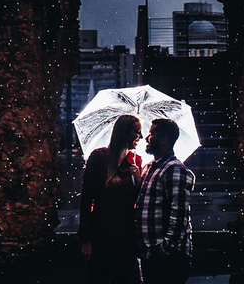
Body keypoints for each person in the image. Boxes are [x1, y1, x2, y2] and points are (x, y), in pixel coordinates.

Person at [79, 114, 144, 284]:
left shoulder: (136, 161)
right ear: (124, 132)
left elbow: (138, 201)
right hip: (101, 234)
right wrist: (85, 239)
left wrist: (138, 181)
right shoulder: (99, 158)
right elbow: (86, 199)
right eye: (137, 132)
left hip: (127, 237)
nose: (141, 137)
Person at [135, 117, 196, 284]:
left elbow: (180, 213)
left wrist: (166, 248)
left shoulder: (174, 169)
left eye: (151, 133)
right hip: (150, 253)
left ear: (163, 139)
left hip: (167, 256)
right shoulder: (149, 168)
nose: (146, 138)